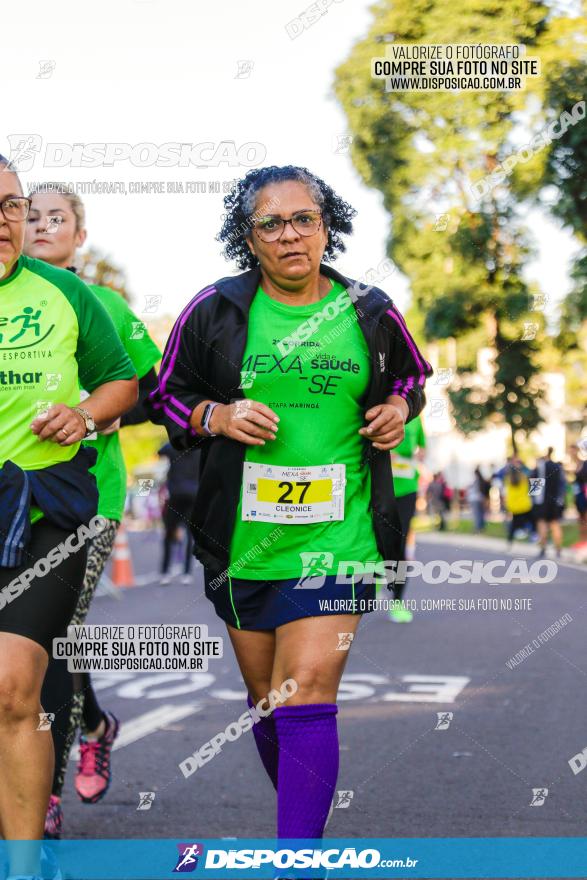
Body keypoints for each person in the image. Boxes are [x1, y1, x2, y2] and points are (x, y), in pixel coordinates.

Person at [148, 165, 433, 840]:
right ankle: (303, 825)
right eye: (270, 224)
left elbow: (412, 376)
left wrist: (396, 405)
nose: (289, 235)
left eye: (303, 218)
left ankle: (296, 856)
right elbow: (163, 393)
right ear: (248, 238)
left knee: (305, 687)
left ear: (325, 226)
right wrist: (215, 416)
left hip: (341, 534)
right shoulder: (215, 308)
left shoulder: (369, 309)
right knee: (267, 701)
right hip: (244, 538)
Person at [0, 158, 137, 866]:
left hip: (48, 509)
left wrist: (83, 416)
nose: (5, 221)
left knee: (16, 679)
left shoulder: (68, 295)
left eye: (11, 206)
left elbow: (124, 382)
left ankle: (23, 859)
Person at [24, 183, 161, 838]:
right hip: (8, 497)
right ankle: (98, 722)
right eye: (29, 214)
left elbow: (149, 389)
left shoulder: (98, 302)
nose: (41, 224)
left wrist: (90, 409)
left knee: (53, 634)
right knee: (36, 642)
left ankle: (41, 795)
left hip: (86, 497)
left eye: (58, 217)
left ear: (80, 236)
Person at [387, 414, 426, 622]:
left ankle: (397, 601)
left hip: (407, 488)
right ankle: (376, 574)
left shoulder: (417, 418)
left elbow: (423, 447)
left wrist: (413, 459)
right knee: (377, 540)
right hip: (381, 486)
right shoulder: (378, 407)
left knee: (400, 543)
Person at [157, 442, 201, 584]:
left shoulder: (173, 446)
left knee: (169, 534)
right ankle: (187, 573)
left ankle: (165, 572)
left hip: (175, 495)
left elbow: (159, 453)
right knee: (190, 536)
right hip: (194, 495)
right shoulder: (201, 446)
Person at [530, 447, 566, 558]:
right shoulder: (558, 467)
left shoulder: (540, 467)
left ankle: (543, 549)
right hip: (555, 501)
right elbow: (562, 485)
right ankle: (558, 550)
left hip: (542, 501)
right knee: (555, 524)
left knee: (542, 524)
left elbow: (535, 486)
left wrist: (534, 500)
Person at [502, 457, 535, 548]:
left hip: (514, 506)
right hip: (524, 505)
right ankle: (533, 535)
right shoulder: (523, 478)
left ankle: (509, 542)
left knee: (514, 524)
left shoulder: (508, 479)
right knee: (533, 521)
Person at [570, 443, 587, 545]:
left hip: (584, 494)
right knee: (580, 518)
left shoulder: (585, 464)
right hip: (578, 494)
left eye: (573, 451)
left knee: (585, 517)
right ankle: (582, 540)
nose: (571, 453)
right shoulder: (574, 464)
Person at [467, 466, 490, 533]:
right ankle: (482, 527)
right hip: (481, 498)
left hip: (474, 499)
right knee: (481, 514)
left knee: (477, 514)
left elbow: (471, 490)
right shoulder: (482, 479)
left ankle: (478, 528)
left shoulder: (475, 480)